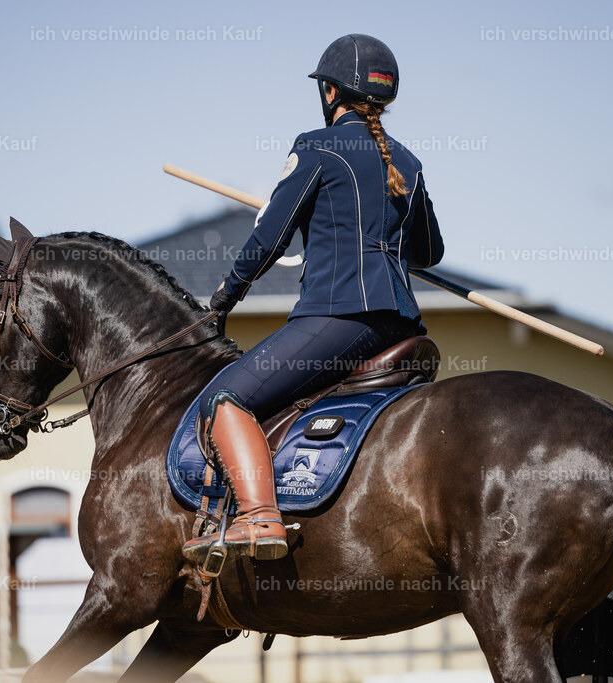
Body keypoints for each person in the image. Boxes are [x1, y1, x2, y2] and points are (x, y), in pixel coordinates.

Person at [182, 34, 444, 566]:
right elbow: (430, 251)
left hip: (339, 316)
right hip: (403, 326)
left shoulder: (317, 147)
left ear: (330, 93)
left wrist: (223, 299)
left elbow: (269, 240)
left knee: (225, 401)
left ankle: (259, 518)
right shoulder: (409, 163)